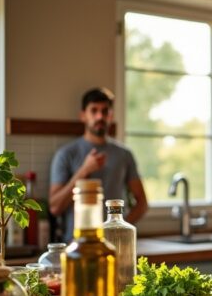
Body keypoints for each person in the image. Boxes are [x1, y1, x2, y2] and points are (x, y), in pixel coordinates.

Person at [49, 87, 148, 241]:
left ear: (111, 115)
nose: (99, 116)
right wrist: (84, 171)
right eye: (93, 110)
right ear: (83, 116)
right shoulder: (66, 154)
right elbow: (55, 207)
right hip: (77, 246)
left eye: (105, 111)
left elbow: (142, 203)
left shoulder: (124, 155)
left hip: (115, 246)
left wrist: (120, 229)